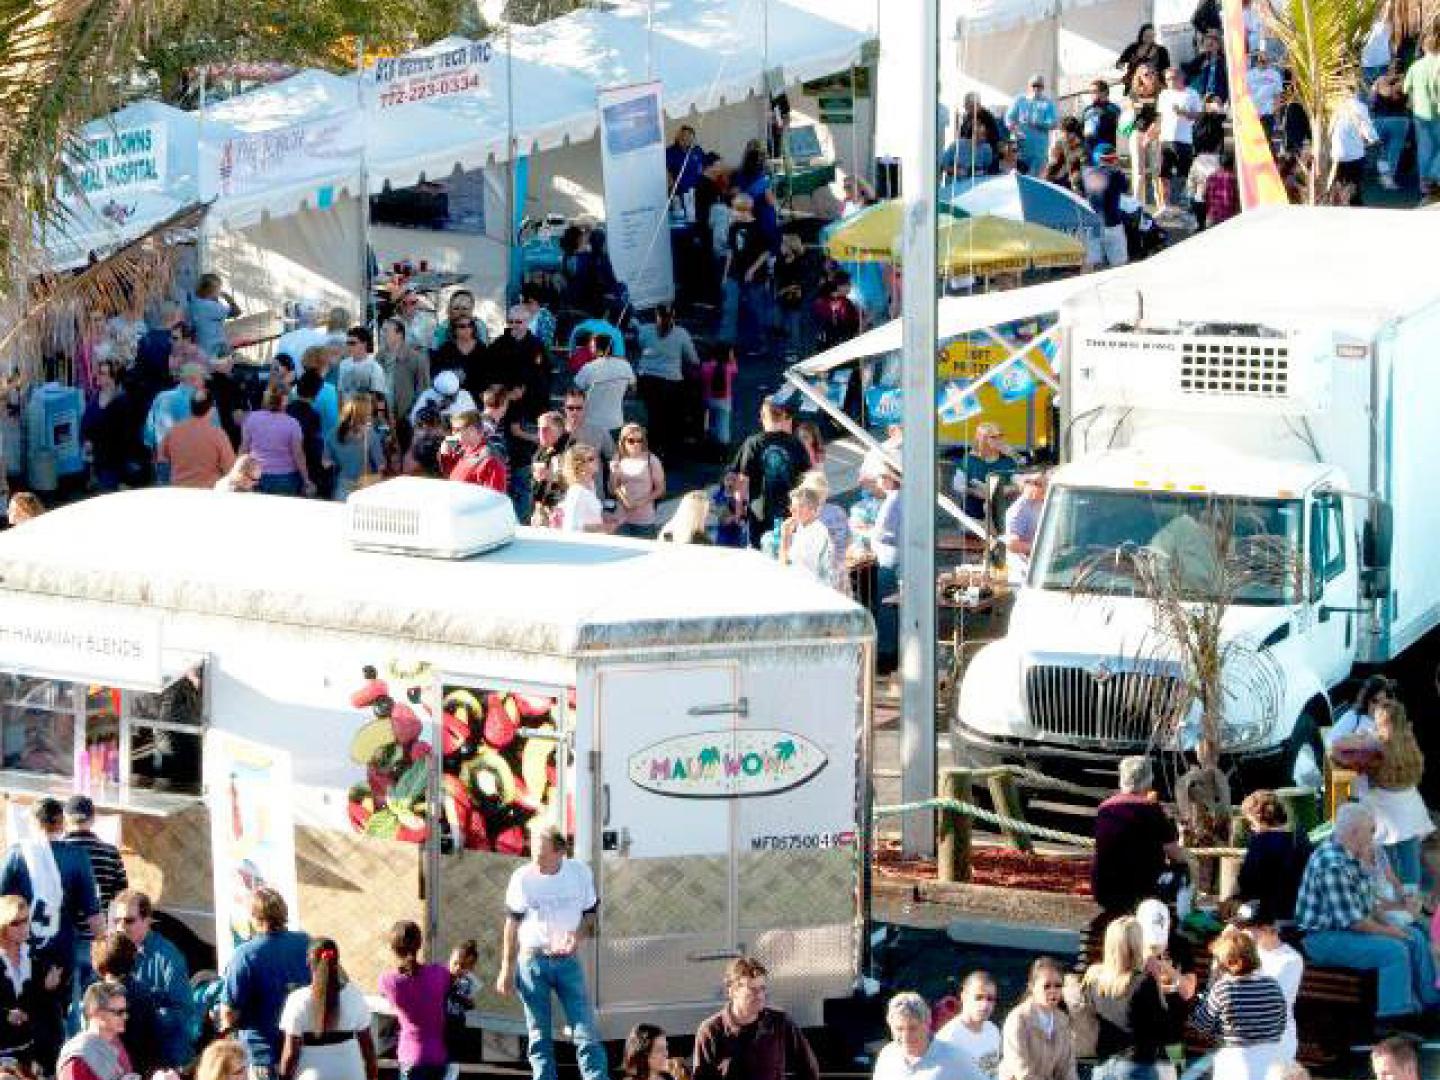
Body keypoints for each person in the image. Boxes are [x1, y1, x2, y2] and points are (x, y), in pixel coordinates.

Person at [1294, 802, 1440, 1021]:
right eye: (1370, 830)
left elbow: (1368, 904)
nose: (1374, 835)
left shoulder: (1351, 854)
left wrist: (1395, 927)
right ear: (1355, 832)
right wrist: (1393, 933)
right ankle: (1394, 1017)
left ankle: (1430, 1002)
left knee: (1416, 935)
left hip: (1345, 928)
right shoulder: (1333, 864)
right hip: (1324, 937)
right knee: (1394, 950)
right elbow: (1356, 922)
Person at [496, 820, 607, 1080]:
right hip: (532, 961)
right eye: (533, 854)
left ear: (560, 853)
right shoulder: (522, 878)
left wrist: (576, 936)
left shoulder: (579, 873)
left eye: (542, 856)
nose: (536, 861)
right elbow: (511, 923)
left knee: (586, 1032)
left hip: (567, 961)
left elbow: (591, 914)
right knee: (538, 1036)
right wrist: (506, 968)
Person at [0, 798, 100, 993]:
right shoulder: (78, 856)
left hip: (21, 948)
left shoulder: (16, 854)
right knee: (56, 1011)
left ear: (34, 823)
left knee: (21, 1006)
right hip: (61, 947)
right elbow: (93, 916)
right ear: (62, 824)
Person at [1076, 916, 1186, 1080]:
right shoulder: (1142, 982)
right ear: (1137, 945)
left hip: (1102, 1066)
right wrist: (1179, 1063)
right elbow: (1165, 1029)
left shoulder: (1094, 978)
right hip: (1137, 1066)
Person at [220, 886, 311, 1078]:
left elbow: (229, 1013)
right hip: (302, 1053)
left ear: (253, 918)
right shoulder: (306, 943)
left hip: (263, 1057)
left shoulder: (245, 954)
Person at [1178, 928, 1286, 1080]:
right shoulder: (1273, 985)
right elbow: (1280, 1025)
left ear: (1232, 963)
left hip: (1235, 1065)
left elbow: (1202, 1024)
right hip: (1269, 1064)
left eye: (1220, 961)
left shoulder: (1224, 988)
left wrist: (1207, 987)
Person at [693, 956, 819, 1080]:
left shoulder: (779, 1022)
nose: (759, 995)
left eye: (762, 989)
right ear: (732, 991)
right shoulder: (710, 1031)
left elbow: (809, 1069)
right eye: (752, 990)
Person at [107, 889, 192, 1067]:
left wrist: (145, 1013)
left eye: (129, 920)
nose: (121, 927)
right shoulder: (114, 953)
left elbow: (182, 1013)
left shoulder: (168, 957)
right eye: (117, 921)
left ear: (147, 921)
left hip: (165, 1057)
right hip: (131, 1054)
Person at [1091, 757, 1185, 917]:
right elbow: (1175, 853)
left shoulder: (1104, 808)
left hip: (1103, 889)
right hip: (1142, 890)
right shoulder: (1151, 809)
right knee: (1185, 870)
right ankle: (1181, 919)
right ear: (1148, 782)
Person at [278, 938, 376, 1080]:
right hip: (351, 1072)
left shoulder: (297, 999)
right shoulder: (354, 995)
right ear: (337, 963)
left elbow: (290, 1054)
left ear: (308, 962)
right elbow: (368, 1049)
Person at [63, 796, 126, 1008]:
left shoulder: (59, 852)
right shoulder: (110, 853)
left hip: (67, 937)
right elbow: (121, 896)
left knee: (70, 1003)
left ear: (67, 818)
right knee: (95, 1002)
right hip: (99, 939)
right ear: (93, 819)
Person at [1365, 700, 1431, 887]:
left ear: (1382, 720)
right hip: (1410, 801)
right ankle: (1413, 895)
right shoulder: (1409, 739)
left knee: (1387, 856)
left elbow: (1339, 746)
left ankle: (1394, 895)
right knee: (1409, 850)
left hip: (1385, 805)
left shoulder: (1377, 742)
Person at [730, 400, 811, 549]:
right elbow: (808, 479)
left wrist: (738, 509)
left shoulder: (753, 443)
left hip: (759, 512)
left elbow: (742, 480)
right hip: (791, 510)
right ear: (783, 417)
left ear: (762, 417)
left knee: (760, 555)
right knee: (788, 552)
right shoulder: (796, 443)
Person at [1230, 901, 1302, 1066]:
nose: (1242, 933)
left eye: (1248, 928)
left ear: (1266, 929)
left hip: (1275, 1044)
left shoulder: (1290, 960)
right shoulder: (1244, 953)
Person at [0, 895, 62, 1074]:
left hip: (32, 1054)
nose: (23, 927)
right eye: (15, 923)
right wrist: (5, 1015)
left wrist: (49, 989)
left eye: (26, 920)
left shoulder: (36, 959)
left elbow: (46, 1012)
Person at [378, 921, 448, 1080]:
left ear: (393, 948)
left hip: (410, 1057)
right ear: (420, 944)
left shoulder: (387, 980)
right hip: (438, 1057)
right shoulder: (439, 973)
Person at [90, 931, 162, 1074]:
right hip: (140, 1069)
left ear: (99, 965)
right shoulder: (143, 993)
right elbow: (153, 1039)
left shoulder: (96, 997)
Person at [874, 993, 986, 1080]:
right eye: (899, 1029)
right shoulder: (887, 1056)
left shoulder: (955, 1058)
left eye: (913, 1028)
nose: (906, 1036)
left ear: (928, 1023)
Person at [1236, 791, 1311, 920]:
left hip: (1267, 914)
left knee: (1230, 926)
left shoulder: (1260, 843)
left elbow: (1247, 884)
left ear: (1258, 819)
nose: (1251, 829)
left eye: (1251, 823)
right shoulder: (1301, 839)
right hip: (1302, 913)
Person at [636, 307, 700, 458]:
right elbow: (693, 359)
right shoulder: (681, 333)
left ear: (655, 315)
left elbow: (641, 347)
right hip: (670, 382)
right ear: (673, 316)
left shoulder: (644, 330)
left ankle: (650, 449)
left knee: (653, 415)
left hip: (646, 379)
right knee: (671, 417)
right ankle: (670, 451)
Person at [999, 958, 1077, 1080]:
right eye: (1046, 986)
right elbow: (1022, 1071)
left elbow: (1068, 1068)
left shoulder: (1063, 1020)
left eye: (1058, 986)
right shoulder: (1018, 1019)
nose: (1053, 991)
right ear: (1032, 987)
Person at [722, 194, 771, 360]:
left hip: (754, 275)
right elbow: (730, 251)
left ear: (744, 210)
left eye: (735, 209)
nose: (732, 212)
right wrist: (725, 273)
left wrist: (752, 269)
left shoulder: (759, 227)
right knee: (730, 309)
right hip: (735, 272)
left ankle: (761, 343)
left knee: (756, 309)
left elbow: (766, 251)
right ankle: (728, 346)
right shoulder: (733, 227)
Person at [239, 383, 309, 496]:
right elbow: (298, 454)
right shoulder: (292, 424)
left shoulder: (252, 418)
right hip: (285, 477)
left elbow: (244, 448)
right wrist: (306, 479)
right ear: (285, 400)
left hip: (255, 475)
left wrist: (239, 470)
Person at [158, 390, 235, 489]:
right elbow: (230, 468)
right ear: (212, 410)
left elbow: (161, 458)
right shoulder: (218, 434)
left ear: (191, 408)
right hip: (208, 491)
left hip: (179, 490)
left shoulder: (173, 431)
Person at [57, 982, 132, 1080]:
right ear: (97, 1014)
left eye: (125, 1011)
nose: (125, 1017)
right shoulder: (77, 1059)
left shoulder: (115, 1043)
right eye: (119, 1012)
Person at [935, 972, 1002, 1079]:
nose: (985, 1005)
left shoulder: (993, 1030)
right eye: (978, 997)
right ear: (964, 997)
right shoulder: (948, 1038)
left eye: (990, 999)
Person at [376, 317, 429, 449]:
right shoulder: (379, 357)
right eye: (382, 331)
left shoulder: (416, 358)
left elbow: (423, 390)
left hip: (406, 418)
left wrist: (412, 414)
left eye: (386, 331)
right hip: (383, 416)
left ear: (399, 334)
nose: (382, 334)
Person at [953, 423, 1019, 523]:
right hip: (974, 511)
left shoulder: (1008, 461)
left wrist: (1003, 490)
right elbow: (957, 485)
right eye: (993, 437)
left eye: (1001, 436)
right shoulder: (970, 460)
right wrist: (974, 491)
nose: (999, 440)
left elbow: (1020, 483)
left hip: (1000, 510)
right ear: (982, 439)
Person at [609, 424, 665, 540]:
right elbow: (612, 489)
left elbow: (660, 489)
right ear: (623, 441)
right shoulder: (617, 458)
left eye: (639, 440)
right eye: (631, 441)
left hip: (644, 519)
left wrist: (639, 503)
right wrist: (614, 473)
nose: (636, 444)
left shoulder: (651, 460)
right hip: (621, 517)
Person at [573, 334, 634, 439]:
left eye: (591, 347)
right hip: (616, 423)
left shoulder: (588, 368)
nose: (590, 349)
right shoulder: (625, 365)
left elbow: (575, 394)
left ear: (596, 348)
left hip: (591, 425)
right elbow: (632, 389)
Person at [1156, 68, 1202, 206]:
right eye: (1167, 79)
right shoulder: (1163, 94)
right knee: (1163, 175)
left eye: (1173, 78)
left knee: (1183, 174)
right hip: (1165, 139)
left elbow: (1198, 115)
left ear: (1182, 78)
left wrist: (1184, 113)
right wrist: (1152, 134)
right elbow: (1160, 116)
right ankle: (1165, 205)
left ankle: (1180, 203)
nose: (1170, 81)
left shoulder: (1192, 93)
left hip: (1184, 140)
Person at [1404, 28, 1440, 199]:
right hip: (1437, 113)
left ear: (1424, 48)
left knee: (1425, 149)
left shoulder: (1415, 66)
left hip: (1419, 113)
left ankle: (1425, 185)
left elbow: (1406, 89)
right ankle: (1434, 174)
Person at [327, 395, 386, 500]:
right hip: (365, 489)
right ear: (365, 414)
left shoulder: (332, 434)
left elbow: (326, 463)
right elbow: (381, 465)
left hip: (342, 488)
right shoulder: (371, 435)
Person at [778, 485, 837, 588]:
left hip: (811, 589)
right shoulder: (804, 526)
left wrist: (785, 537)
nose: (792, 511)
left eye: (799, 507)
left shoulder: (815, 532)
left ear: (812, 509)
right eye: (792, 507)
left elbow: (785, 568)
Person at [439, 408, 507, 494]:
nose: (453, 434)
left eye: (456, 430)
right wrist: (445, 454)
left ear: (472, 430)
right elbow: (451, 473)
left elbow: (495, 499)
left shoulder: (491, 460)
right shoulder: (464, 447)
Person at [1330, 92, 1377, 206]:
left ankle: (1339, 201)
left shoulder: (1334, 106)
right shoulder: (1360, 107)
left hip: (1336, 153)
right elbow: (1368, 131)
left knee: (1338, 182)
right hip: (1355, 154)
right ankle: (1352, 202)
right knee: (1354, 184)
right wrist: (1373, 140)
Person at [1126, 65, 1163, 206]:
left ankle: (1161, 204)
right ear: (1139, 77)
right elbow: (1133, 107)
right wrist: (1147, 104)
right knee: (1138, 172)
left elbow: (1160, 114)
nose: (1150, 76)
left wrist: (1152, 131)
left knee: (1157, 172)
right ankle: (1137, 205)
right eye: (1146, 74)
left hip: (1155, 133)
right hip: (1138, 132)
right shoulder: (1134, 92)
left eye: (1153, 72)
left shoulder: (1161, 91)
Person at [1005, 75, 1059, 173]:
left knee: (1035, 181)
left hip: (1039, 152)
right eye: (1034, 85)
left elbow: (1054, 123)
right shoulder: (1020, 100)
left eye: (1039, 86)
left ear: (1043, 87)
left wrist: (1038, 123)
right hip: (1021, 149)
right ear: (1029, 86)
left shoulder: (1048, 103)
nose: (1036, 88)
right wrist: (1015, 130)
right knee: (1019, 178)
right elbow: (1008, 118)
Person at [1370, 61, 1410, 191]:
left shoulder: (1378, 82)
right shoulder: (1404, 82)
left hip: (1379, 121)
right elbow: (1408, 104)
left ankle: (1383, 176)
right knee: (1393, 152)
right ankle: (1388, 179)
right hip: (1398, 121)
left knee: (1383, 151)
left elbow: (1372, 101)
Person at [553, 446, 608, 533]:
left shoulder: (591, 485)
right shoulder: (577, 492)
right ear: (579, 465)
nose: (597, 460)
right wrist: (602, 528)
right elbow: (571, 527)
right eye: (591, 458)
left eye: (596, 457)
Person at [432, 314, 486, 394]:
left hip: (477, 394)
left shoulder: (481, 348)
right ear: (455, 329)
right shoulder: (446, 349)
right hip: (451, 394)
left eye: (470, 325)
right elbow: (437, 372)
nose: (467, 329)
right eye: (462, 326)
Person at [445, 939, 480, 1064]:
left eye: (463, 966)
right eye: (455, 963)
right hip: (440, 1020)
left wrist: (459, 997)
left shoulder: (469, 982)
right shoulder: (442, 976)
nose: (458, 968)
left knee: (452, 1056)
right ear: (449, 960)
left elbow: (471, 1004)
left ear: (471, 968)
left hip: (456, 1022)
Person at [190, 273, 241, 358]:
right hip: (214, 350)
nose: (220, 291)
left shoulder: (195, 302)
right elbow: (236, 312)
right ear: (212, 290)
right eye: (219, 289)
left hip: (202, 347)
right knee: (235, 358)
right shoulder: (210, 306)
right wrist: (229, 299)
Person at [700, 343, 739, 448]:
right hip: (724, 401)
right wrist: (732, 358)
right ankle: (722, 445)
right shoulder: (729, 368)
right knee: (723, 425)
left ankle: (708, 438)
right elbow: (735, 370)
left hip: (708, 399)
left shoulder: (706, 367)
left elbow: (699, 376)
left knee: (708, 421)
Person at [1003, 471, 1047, 559]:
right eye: (1040, 484)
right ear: (1028, 486)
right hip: (1026, 563)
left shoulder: (1040, 503)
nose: (1046, 488)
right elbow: (1012, 544)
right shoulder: (1019, 510)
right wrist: (1042, 548)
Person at [409, 370, 476, 428]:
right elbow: (413, 420)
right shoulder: (427, 395)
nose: (448, 399)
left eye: (452, 396)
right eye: (446, 396)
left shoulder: (465, 395)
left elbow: (474, 419)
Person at [1117, 25, 1171, 95]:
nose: (1149, 37)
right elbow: (1120, 63)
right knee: (1134, 104)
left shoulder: (1161, 50)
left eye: (1151, 35)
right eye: (1146, 35)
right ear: (1141, 35)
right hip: (1133, 87)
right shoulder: (1133, 48)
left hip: (1153, 88)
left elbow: (1166, 69)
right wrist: (1122, 65)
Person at [336, 327, 386, 399]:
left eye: (352, 343)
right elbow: (340, 392)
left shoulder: (374, 367)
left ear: (364, 344)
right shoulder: (343, 364)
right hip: (345, 408)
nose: (349, 346)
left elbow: (379, 398)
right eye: (347, 343)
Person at [1184, 30, 1229, 103]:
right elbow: (1189, 69)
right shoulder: (1203, 58)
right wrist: (1200, 69)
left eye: (1211, 45)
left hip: (1219, 94)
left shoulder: (1224, 60)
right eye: (1206, 46)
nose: (1209, 48)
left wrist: (1221, 96)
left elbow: (1225, 81)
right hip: (1205, 94)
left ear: (1218, 44)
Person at [1082, 81, 1123, 156]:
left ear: (1104, 92)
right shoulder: (1087, 109)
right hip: (1088, 149)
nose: (1091, 95)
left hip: (1105, 148)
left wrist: (1102, 113)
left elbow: (1119, 130)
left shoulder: (1114, 109)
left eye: (1094, 92)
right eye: (1090, 92)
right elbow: (1082, 130)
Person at [1203, 151, 1241, 228]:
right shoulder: (1235, 179)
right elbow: (1237, 200)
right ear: (1232, 164)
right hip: (1228, 218)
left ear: (1220, 164)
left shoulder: (1211, 177)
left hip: (1212, 216)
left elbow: (1204, 195)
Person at [667, 125, 706, 197]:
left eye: (688, 137)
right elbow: (666, 171)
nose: (685, 139)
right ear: (678, 137)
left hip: (697, 191)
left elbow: (704, 165)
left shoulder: (697, 150)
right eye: (682, 136)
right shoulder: (670, 152)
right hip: (679, 192)